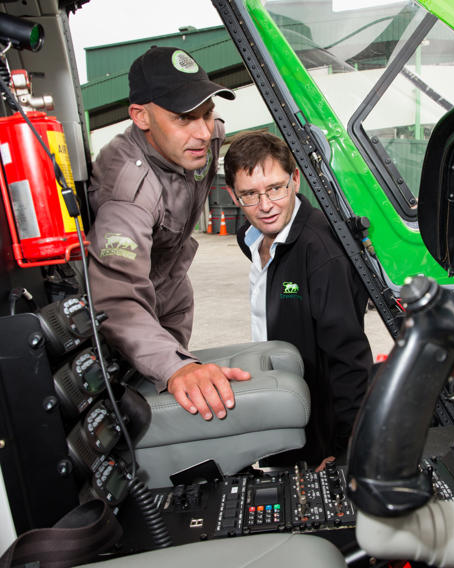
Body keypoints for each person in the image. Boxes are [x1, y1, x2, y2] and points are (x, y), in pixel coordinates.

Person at [86, 46, 248, 421]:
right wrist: (178, 368)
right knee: (151, 400)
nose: (203, 133)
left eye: (208, 114)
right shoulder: (129, 187)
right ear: (141, 116)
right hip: (131, 310)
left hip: (173, 287)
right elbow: (115, 297)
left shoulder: (208, 135)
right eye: (184, 118)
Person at [224, 130, 373, 469]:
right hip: (279, 405)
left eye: (275, 188)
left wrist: (345, 449)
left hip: (316, 432)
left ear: (295, 179)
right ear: (233, 195)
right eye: (250, 194)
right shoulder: (249, 238)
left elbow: (350, 361)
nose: (265, 206)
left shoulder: (319, 254)